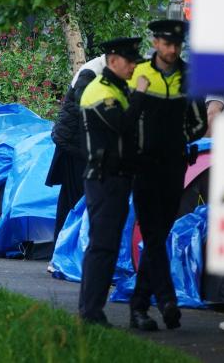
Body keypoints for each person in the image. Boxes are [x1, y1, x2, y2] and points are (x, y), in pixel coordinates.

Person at [126, 19, 207, 331]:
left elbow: (199, 123)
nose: (172, 50)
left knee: (158, 235)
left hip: (174, 166)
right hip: (144, 167)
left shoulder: (190, 77)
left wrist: (177, 139)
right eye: (167, 44)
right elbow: (126, 121)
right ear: (156, 43)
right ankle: (166, 301)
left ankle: (139, 307)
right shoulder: (139, 73)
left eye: (177, 45)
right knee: (152, 233)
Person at [77, 38, 148, 326]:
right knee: (102, 246)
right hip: (104, 179)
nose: (133, 67)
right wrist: (141, 94)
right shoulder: (100, 90)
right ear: (113, 60)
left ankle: (92, 309)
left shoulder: (118, 89)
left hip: (116, 179)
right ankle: (90, 312)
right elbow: (123, 125)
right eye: (129, 61)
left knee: (107, 246)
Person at [46, 54, 106, 244]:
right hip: (74, 147)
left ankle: (64, 246)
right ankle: (65, 247)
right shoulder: (90, 72)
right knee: (74, 201)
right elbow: (86, 106)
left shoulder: (100, 71)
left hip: (79, 145)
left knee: (72, 200)